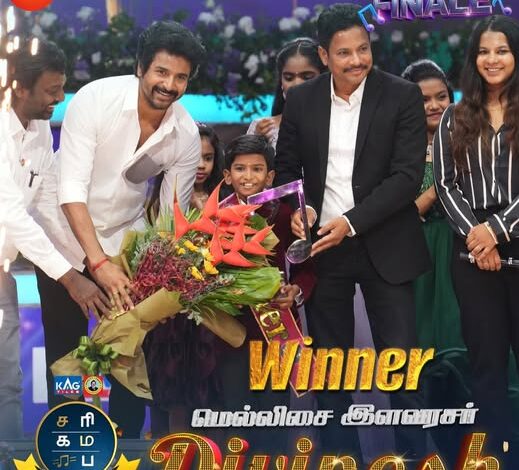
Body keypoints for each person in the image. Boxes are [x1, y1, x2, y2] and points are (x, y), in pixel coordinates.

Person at [34, 21, 206, 438]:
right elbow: (71, 191)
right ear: (141, 68)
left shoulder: (185, 134)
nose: (169, 85)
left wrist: (156, 277)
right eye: (161, 72)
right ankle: (68, 441)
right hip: (61, 237)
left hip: (124, 241)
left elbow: (170, 220)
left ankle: (127, 445)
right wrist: (97, 264)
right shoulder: (96, 99)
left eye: (180, 77)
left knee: (128, 350)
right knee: (66, 349)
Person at [275, 2, 430, 458]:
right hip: (324, 247)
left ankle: (412, 460)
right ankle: (342, 460)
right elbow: (287, 169)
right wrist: (299, 209)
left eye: (363, 49)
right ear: (324, 55)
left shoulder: (402, 95)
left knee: (402, 368)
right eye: (344, 53)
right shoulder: (301, 100)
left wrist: (351, 222)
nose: (357, 60)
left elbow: (406, 177)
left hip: (387, 243)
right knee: (331, 370)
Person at [0, 40, 110, 439]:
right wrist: (69, 277)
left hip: (2, 272)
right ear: (19, 88)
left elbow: (46, 201)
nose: (60, 98)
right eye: (52, 90)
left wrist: (90, 265)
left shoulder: (40, 126)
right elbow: (12, 214)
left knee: (8, 381)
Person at [433, 15, 519, 465]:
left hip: (512, 237)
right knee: (486, 365)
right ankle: (500, 455)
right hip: (471, 253)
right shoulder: (454, 116)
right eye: (484, 51)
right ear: (473, 59)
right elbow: (445, 185)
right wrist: (477, 237)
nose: (492, 59)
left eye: (501, 50)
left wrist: (496, 231)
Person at [217, 134, 316, 453]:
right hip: (230, 331)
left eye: (257, 169)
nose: (248, 177)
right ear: (227, 175)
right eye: (240, 169)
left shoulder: (286, 215)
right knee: (235, 414)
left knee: (274, 414)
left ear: (270, 176)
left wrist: (295, 291)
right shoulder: (214, 218)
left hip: (277, 327)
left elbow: (306, 267)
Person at [401, 60, 462, 352]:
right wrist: (442, 184)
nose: (435, 106)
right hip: (417, 250)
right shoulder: (398, 152)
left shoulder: (469, 141)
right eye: (424, 100)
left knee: (462, 325)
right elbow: (404, 213)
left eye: (441, 97)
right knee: (420, 331)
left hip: (461, 246)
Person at [247, 37, 326, 149]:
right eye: (289, 78)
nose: (297, 84)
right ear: (281, 82)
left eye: (307, 77)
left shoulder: (338, 123)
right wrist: (258, 142)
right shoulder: (262, 128)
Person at [190, 123, 224, 210]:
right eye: (194, 158)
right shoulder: (166, 198)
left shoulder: (224, 198)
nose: (201, 165)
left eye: (208, 158)